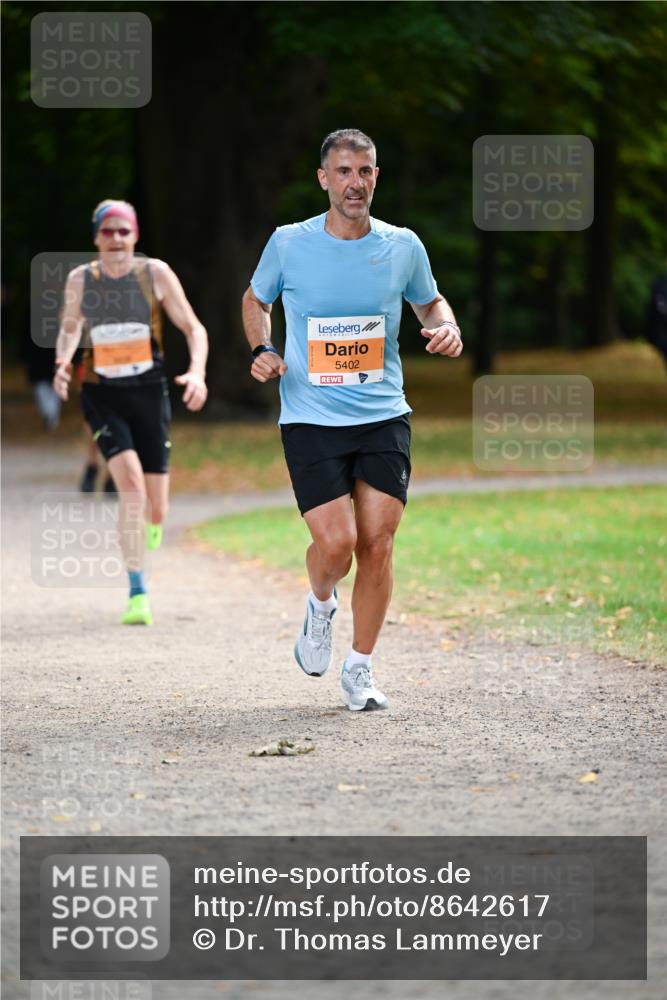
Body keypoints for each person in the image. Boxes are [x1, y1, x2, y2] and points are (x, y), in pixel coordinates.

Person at [242, 129, 462, 711]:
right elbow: (255, 299)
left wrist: (447, 325)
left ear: (375, 177)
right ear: (324, 178)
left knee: (379, 544)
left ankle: (359, 668)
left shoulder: (403, 246)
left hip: (383, 414)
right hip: (311, 418)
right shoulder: (289, 244)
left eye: (364, 171)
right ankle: (320, 604)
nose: (354, 183)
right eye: (343, 171)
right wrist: (261, 349)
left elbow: (430, 300)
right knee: (337, 545)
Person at [53, 199, 208, 625]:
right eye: (108, 231)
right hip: (103, 397)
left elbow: (194, 328)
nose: (117, 239)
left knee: (156, 508)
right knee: (132, 491)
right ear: (96, 238)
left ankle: (151, 524)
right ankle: (137, 592)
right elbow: (68, 329)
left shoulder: (154, 274)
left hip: (149, 395)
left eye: (124, 231)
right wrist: (63, 363)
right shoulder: (81, 279)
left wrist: (196, 372)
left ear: (136, 235)